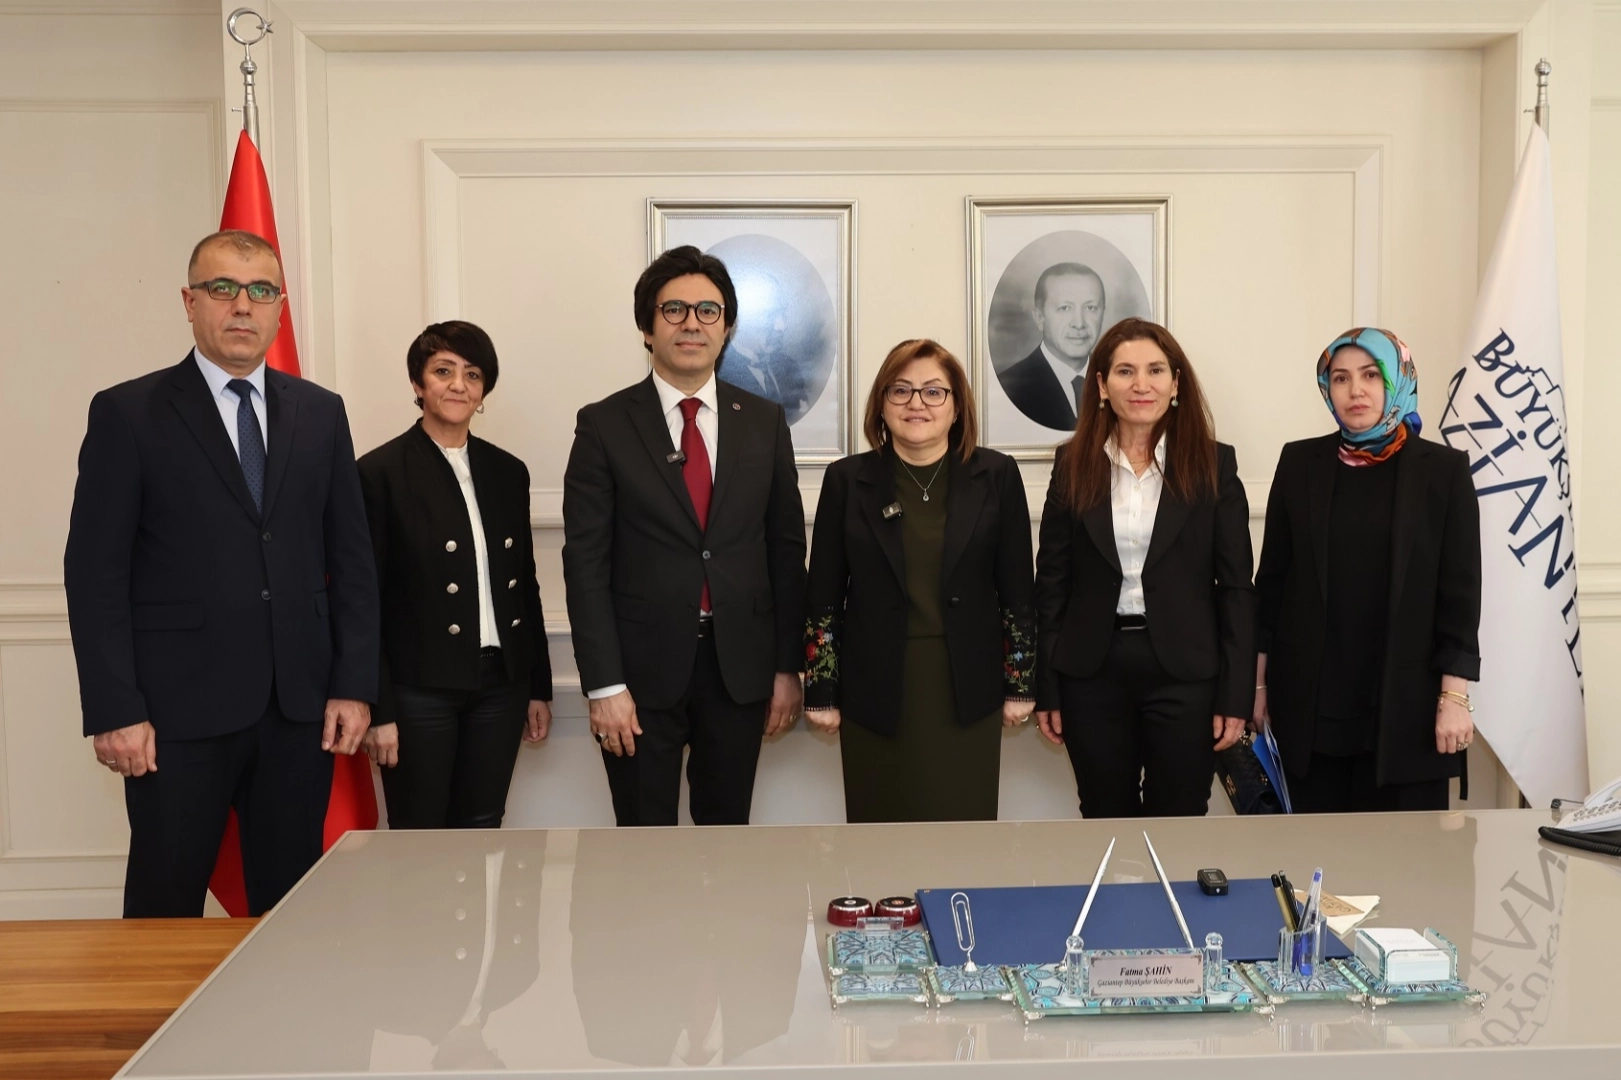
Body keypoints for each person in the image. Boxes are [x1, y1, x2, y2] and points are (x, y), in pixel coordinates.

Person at [63, 229, 378, 917]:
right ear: (190, 301)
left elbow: (352, 562)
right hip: (174, 717)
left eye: (261, 290)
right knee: (163, 909)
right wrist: (116, 709)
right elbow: (94, 575)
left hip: (299, 711)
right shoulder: (128, 412)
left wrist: (354, 686)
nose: (242, 305)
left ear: (280, 309)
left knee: (289, 917)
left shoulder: (321, 413)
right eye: (222, 288)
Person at [562, 244, 807, 826]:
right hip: (638, 677)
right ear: (647, 329)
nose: (691, 323)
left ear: (727, 328)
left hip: (739, 671)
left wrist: (786, 667)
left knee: (726, 839)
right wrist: (603, 685)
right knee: (644, 844)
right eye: (674, 310)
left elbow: (785, 550)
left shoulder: (765, 422)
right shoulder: (604, 425)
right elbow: (586, 564)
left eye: (707, 310)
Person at [803, 339, 1035, 822]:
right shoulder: (847, 479)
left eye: (933, 391)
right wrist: (822, 691)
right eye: (901, 390)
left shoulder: (996, 475)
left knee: (962, 828)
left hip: (967, 688)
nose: (916, 403)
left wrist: (1020, 685)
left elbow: (1018, 589)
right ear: (881, 404)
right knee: (881, 831)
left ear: (957, 407)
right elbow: (824, 594)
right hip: (874, 688)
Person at [1033, 318, 1253, 818]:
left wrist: (1235, 695)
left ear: (1176, 384)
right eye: (1125, 371)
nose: (1141, 384)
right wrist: (1047, 686)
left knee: (1178, 817)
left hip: (1187, 673)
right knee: (1105, 815)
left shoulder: (1214, 464)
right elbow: (1052, 585)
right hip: (1091, 672)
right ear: (1101, 385)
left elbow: (1237, 588)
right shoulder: (1072, 464)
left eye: (1155, 370)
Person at [1254, 328, 1480, 812]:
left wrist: (1455, 697)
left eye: (1371, 376)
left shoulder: (1443, 470)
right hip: (1310, 709)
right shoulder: (1299, 463)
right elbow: (1270, 585)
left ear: (1397, 380)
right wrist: (1257, 686)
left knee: (1406, 853)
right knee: (1313, 850)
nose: (1355, 390)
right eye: (1340, 378)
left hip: (1407, 707)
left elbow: (1460, 598)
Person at [356, 321, 554, 829]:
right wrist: (379, 710)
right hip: (418, 690)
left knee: (484, 826)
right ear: (418, 384)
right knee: (419, 832)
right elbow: (364, 602)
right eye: (443, 371)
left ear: (484, 390)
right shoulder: (379, 472)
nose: (459, 385)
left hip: (501, 686)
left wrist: (539, 687)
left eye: (473, 374)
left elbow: (525, 584)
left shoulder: (508, 471)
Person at [997, 262, 1106, 431]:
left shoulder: (1117, 380)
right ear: (1039, 318)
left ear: (1103, 313)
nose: (1079, 323)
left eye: (1090, 307)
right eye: (1065, 308)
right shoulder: (1010, 387)